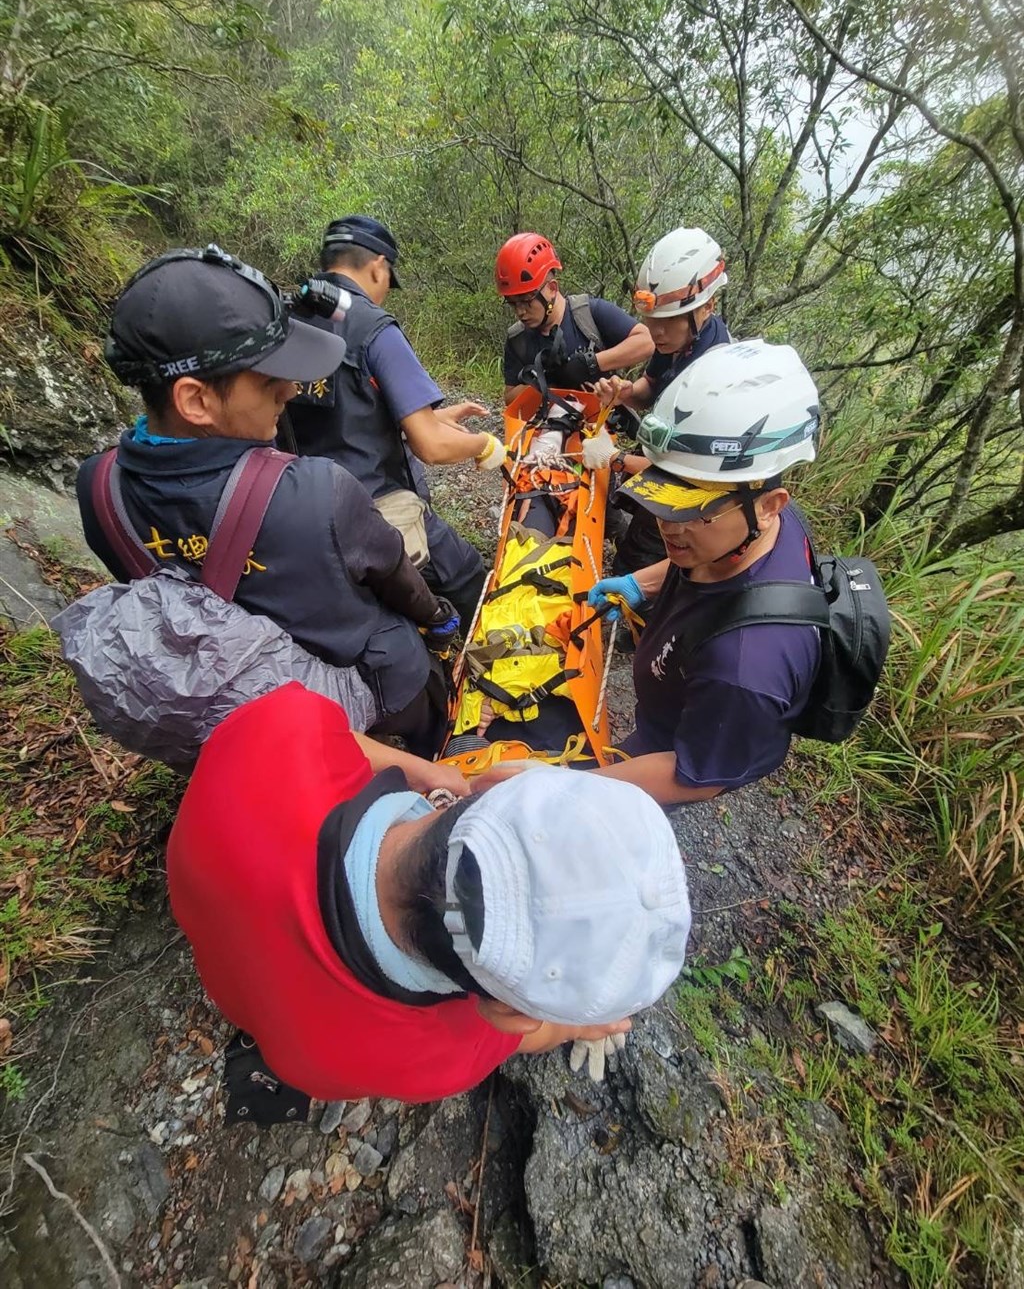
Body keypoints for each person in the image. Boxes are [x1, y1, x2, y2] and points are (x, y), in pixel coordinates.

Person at [167, 682, 692, 1103]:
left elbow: (338, 739)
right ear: (505, 1012)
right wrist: (576, 1025)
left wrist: (426, 772)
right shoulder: (433, 1062)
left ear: (493, 782)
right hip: (279, 1028)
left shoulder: (281, 730)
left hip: (214, 909)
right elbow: (529, 1033)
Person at [76, 244, 457, 759]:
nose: (291, 389)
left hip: (235, 709)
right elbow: (398, 580)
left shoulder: (99, 490)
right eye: (268, 377)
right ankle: (438, 746)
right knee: (413, 663)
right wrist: (437, 617)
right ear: (196, 400)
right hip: (361, 689)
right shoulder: (318, 490)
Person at [588, 339, 823, 806]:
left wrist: (576, 787)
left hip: (676, 748)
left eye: (696, 512)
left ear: (771, 506)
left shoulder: (745, 665)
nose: (669, 527)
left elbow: (697, 774)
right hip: (676, 697)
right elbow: (702, 558)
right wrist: (643, 583)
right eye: (663, 501)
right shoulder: (756, 526)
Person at [287, 216, 500, 627]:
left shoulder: (291, 318)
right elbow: (432, 448)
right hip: (376, 507)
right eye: (387, 279)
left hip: (306, 508)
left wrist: (428, 415)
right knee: (468, 574)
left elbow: (342, 410)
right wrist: (485, 445)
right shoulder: (373, 327)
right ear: (378, 266)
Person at [596, 227, 732, 575]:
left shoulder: (713, 380)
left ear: (709, 306)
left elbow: (685, 476)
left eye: (668, 321)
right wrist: (625, 392)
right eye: (651, 319)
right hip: (660, 466)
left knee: (643, 566)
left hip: (689, 502)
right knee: (633, 547)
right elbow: (649, 388)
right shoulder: (676, 342)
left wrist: (615, 459)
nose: (656, 332)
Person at [496, 233, 654, 405]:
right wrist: (542, 380)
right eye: (512, 303)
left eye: (526, 302)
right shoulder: (518, 338)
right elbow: (510, 397)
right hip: (549, 428)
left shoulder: (589, 313)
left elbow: (647, 341)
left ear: (552, 288)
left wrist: (590, 363)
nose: (520, 312)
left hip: (603, 424)